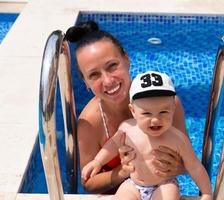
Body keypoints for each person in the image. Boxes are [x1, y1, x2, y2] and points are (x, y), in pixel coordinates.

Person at [65, 21, 188, 194]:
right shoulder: (90, 123)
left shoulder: (165, 102)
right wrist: (123, 171)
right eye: (94, 75)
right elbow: (88, 184)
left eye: (112, 66)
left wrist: (178, 166)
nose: (108, 81)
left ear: (127, 59)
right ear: (86, 83)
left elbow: (187, 162)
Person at [81, 71, 213, 200]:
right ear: (133, 111)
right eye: (147, 114)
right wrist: (97, 161)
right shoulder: (128, 129)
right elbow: (113, 145)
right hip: (133, 185)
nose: (155, 120)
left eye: (163, 112)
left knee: (169, 193)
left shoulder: (177, 139)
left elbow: (195, 166)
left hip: (164, 184)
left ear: (173, 108)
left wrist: (206, 193)